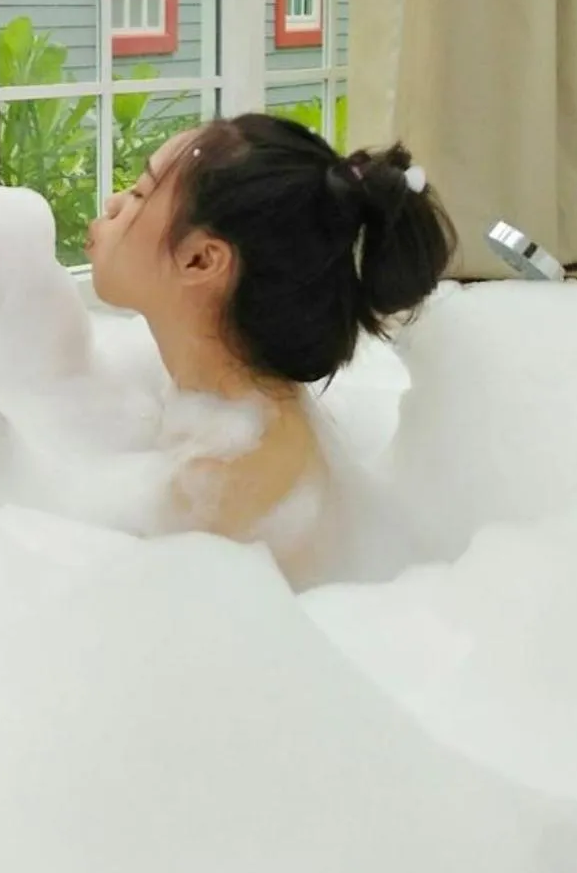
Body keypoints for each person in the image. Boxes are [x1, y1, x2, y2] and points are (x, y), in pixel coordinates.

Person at [84, 113, 455, 579]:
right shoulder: (241, 418)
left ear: (200, 259)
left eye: (139, 193)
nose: (113, 202)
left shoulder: (222, 495)